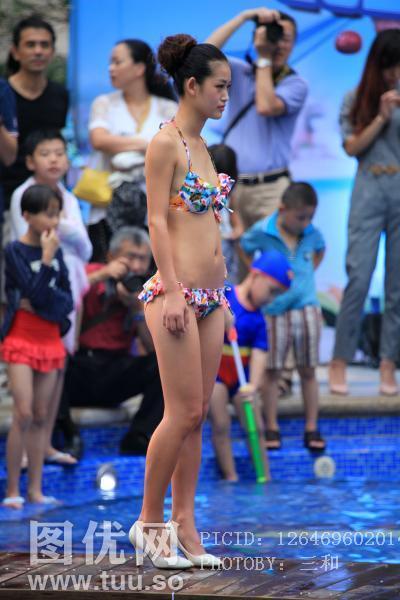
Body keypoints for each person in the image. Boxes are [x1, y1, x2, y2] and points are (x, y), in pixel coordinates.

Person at [129, 34, 233, 569]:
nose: (225, 96)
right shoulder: (166, 142)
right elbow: (155, 221)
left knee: (197, 415)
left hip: (212, 296)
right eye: (219, 86)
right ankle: (149, 523)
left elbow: (206, 225)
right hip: (175, 294)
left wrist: (221, 289)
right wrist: (172, 290)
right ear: (192, 86)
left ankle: (185, 525)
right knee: (183, 411)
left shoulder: (204, 145)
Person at [9, 129, 92, 465]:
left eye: (60, 153)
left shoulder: (68, 197)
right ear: (30, 161)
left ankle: (43, 446)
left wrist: (61, 229)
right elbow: (28, 244)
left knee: (60, 363)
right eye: (46, 154)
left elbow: (85, 250)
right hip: (38, 292)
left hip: (67, 288)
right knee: (31, 381)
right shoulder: (22, 195)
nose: (54, 160)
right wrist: (64, 233)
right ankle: (25, 450)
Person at [329, 30, 400, 397]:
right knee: (358, 277)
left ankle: (388, 364)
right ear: (377, 65)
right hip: (368, 191)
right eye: (389, 66)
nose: (394, 73)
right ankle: (339, 360)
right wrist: (381, 117)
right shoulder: (356, 99)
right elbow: (352, 148)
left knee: (397, 285)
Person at [58, 227, 164, 456]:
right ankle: (68, 433)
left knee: (164, 366)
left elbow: (151, 346)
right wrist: (103, 275)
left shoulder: (145, 291)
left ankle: (139, 436)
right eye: (130, 257)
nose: (136, 266)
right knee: (54, 361)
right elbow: (64, 292)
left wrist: (136, 309)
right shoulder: (92, 273)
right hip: (81, 366)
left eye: (143, 259)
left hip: (115, 369)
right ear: (111, 256)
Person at [1, 184, 73, 509]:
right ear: (27, 215)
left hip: (49, 337)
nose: (53, 221)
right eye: (47, 214)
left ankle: (35, 490)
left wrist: (43, 302)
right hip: (21, 336)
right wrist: (45, 259)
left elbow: (66, 300)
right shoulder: (14, 250)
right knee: (24, 412)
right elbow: (32, 290)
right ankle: (12, 490)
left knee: (43, 415)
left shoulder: (58, 251)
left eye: (56, 214)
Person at [241, 182, 326, 451]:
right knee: (273, 370)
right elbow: (245, 246)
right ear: (282, 209)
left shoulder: (312, 233)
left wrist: (306, 273)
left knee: (308, 369)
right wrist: (256, 272)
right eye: (301, 217)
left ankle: (311, 426)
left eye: (310, 217)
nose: (306, 223)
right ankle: (271, 426)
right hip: (274, 309)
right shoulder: (262, 231)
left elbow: (320, 249)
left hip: (306, 305)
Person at [206, 7, 307, 230]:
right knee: (232, 251)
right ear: (257, 39)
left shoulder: (295, 84)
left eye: (285, 39)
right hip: (232, 187)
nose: (278, 45)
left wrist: (263, 58)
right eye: (273, 37)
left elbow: (266, 105)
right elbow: (203, 55)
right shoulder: (239, 72)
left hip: (271, 190)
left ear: (294, 43)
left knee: (272, 252)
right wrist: (243, 17)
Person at [88, 39, 177, 261]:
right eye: (110, 63)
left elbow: (177, 148)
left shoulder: (168, 108)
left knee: (151, 272)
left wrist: (122, 143)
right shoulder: (104, 103)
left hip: (154, 208)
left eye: (117, 62)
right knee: (109, 267)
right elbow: (98, 140)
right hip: (108, 205)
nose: (111, 68)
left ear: (139, 68)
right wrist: (147, 143)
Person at [209, 249, 292, 481]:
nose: (271, 299)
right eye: (272, 290)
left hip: (242, 377)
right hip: (216, 374)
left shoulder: (258, 319)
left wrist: (253, 386)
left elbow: (259, 354)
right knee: (221, 424)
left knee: (256, 425)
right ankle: (230, 477)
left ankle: (264, 477)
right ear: (255, 275)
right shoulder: (225, 296)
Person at [2, 15, 69, 204]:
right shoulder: (3, 94)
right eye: (30, 45)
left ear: (52, 51)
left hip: (48, 196)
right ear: (15, 52)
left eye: (44, 45)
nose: (38, 51)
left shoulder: (60, 94)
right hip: (6, 191)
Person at [208, 144, 243, 283]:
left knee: (228, 280)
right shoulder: (201, 196)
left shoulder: (229, 192)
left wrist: (238, 229)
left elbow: (233, 211)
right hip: (207, 243)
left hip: (226, 242)